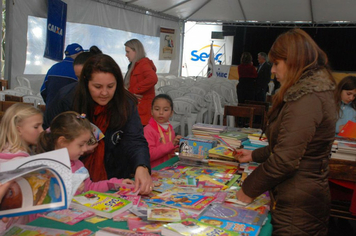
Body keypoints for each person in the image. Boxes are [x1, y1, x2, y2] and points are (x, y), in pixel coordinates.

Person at [235, 29, 337, 235]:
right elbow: (290, 144)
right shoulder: (310, 92)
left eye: (276, 63)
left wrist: (248, 188)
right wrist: (254, 155)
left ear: (294, 61)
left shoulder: (307, 99)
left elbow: (284, 160)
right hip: (300, 196)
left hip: (298, 205)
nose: (272, 70)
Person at [44, 54, 153, 195]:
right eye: (97, 86)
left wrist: (142, 166)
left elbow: (135, 139)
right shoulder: (66, 98)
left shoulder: (126, 103)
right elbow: (48, 137)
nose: (104, 93)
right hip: (70, 179)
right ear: (85, 82)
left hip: (114, 175)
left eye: (111, 86)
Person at [37, 111, 134, 195]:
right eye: (81, 145)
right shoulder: (47, 169)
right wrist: (73, 190)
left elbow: (90, 188)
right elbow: (45, 201)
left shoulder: (78, 164)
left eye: (86, 144)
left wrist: (115, 183)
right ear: (62, 142)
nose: (85, 149)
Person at [0, 103, 43, 231]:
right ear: (18, 129)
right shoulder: (21, 161)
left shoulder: (5, 151)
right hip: (11, 224)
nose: (41, 131)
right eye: (36, 127)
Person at [124, 39, 158, 126]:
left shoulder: (143, 64)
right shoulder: (135, 65)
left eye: (128, 52)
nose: (126, 55)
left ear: (135, 51)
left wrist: (134, 90)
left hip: (143, 111)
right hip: (137, 109)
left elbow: (153, 78)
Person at [144, 94, 182, 168]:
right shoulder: (148, 130)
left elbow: (170, 150)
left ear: (171, 113)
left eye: (165, 110)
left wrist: (177, 148)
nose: (161, 113)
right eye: (157, 109)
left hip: (168, 168)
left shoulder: (170, 128)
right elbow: (149, 155)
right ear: (151, 111)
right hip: (155, 170)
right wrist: (171, 144)